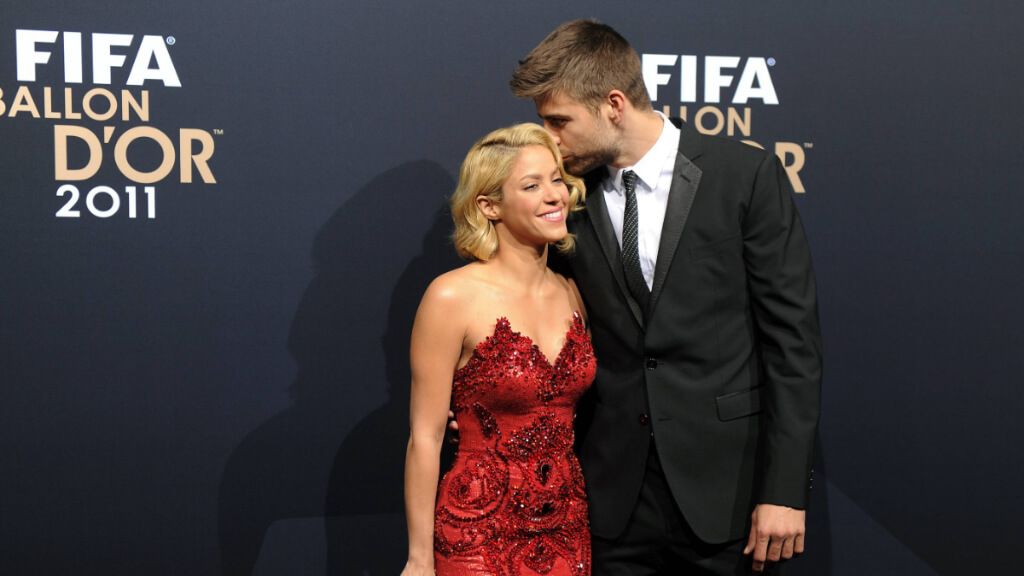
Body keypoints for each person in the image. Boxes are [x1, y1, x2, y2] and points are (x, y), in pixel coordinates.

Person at [509, 20, 823, 575]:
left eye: (559, 121)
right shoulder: (563, 198)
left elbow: (792, 345)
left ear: (613, 104)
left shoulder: (744, 176)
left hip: (728, 494)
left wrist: (785, 489)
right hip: (612, 496)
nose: (549, 140)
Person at [401, 123, 596, 576]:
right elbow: (426, 437)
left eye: (556, 180)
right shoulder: (451, 297)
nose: (554, 196)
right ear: (489, 205)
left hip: (567, 529)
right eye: (532, 186)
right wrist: (419, 558)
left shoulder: (573, 292)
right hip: (477, 532)